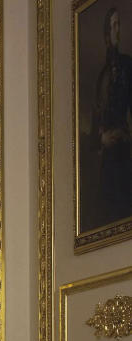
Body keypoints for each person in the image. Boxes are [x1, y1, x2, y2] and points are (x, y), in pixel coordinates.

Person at [92, 7, 132, 227]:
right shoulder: (101, 77)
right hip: (108, 159)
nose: (118, 30)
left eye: (120, 25)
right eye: (114, 25)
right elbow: (95, 127)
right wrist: (102, 139)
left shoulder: (128, 65)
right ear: (107, 34)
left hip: (124, 151)